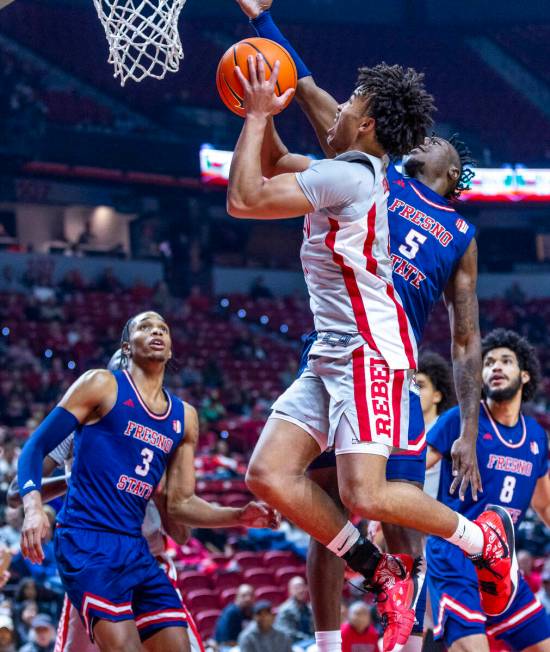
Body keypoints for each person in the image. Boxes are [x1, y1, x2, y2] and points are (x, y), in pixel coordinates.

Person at [232, 2, 514, 651]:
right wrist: (263, 22)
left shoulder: (457, 230)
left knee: (379, 494)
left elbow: (467, 340)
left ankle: (447, 573)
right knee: (293, 484)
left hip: (385, 357)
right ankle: (355, 607)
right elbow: (306, 97)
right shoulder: (373, 174)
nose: (427, 141)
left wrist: (468, 427)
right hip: (336, 346)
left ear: (452, 172)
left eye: (436, 144)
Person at [17, 312, 278, 652]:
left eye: (163, 328)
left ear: (170, 350)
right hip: (86, 539)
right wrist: (34, 508)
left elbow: (180, 503)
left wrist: (237, 515)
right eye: (144, 326)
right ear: (127, 346)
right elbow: (34, 448)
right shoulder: (101, 384)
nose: (156, 330)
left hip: (136, 549)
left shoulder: (184, 417)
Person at [426, 329, 550, 651]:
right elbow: (414, 466)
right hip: (454, 555)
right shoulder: (461, 420)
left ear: (524, 375)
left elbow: (546, 506)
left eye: (505, 361)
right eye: (488, 362)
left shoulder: (536, 437)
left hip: (501, 562)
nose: (495, 367)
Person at [274, 577, 314, 648]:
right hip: (293, 644)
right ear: (290, 591)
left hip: (310, 641)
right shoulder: (285, 610)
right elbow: (287, 633)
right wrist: (308, 638)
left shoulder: (309, 608)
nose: (301, 590)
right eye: (297, 587)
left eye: (303, 586)